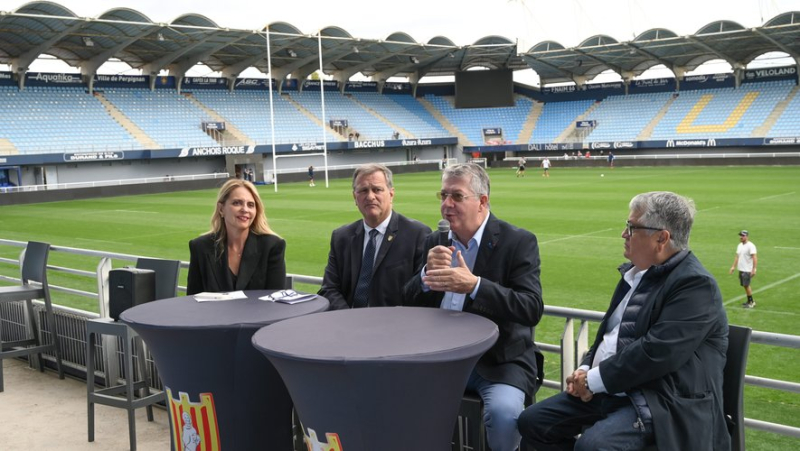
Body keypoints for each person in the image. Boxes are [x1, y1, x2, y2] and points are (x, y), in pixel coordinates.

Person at [519, 191, 730, 451]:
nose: (623, 234)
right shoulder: (636, 275)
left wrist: (592, 380)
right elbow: (611, 336)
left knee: (593, 446)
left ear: (661, 238)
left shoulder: (695, 285)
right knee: (532, 422)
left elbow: (656, 352)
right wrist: (585, 369)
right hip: (617, 390)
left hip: (661, 401)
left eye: (632, 227)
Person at [403, 163, 544, 451]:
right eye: (443, 195)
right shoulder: (435, 241)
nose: (446, 204)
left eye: (456, 196)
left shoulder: (517, 241)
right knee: (398, 398)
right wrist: (424, 277)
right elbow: (406, 301)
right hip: (442, 357)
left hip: (500, 361)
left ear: (482, 202)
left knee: (504, 415)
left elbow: (531, 308)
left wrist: (475, 285)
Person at [319, 163, 430, 310]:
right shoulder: (341, 237)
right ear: (355, 196)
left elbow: (421, 294)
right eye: (363, 190)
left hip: (394, 325)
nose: (370, 196)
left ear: (391, 194)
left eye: (377, 189)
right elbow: (329, 289)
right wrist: (349, 318)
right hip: (347, 323)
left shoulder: (418, 235)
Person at [187, 179, 286, 294]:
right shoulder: (200, 246)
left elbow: (275, 301)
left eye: (251, 205)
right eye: (236, 203)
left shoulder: (272, 246)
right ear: (221, 209)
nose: (245, 209)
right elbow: (192, 299)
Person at [730, 230, 757, 308]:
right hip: (741, 269)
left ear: (747, 236)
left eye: (743, 235)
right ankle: (749, 301)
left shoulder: (750, 246)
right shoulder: (740, 245)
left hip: (747, 269)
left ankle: (751, 302)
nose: (741, 237)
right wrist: (733, 267)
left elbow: (754, 257)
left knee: (746, 285)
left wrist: (754, 269)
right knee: (745, 285)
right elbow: (737, 257)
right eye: (740, 235)